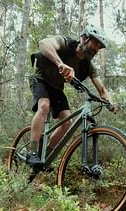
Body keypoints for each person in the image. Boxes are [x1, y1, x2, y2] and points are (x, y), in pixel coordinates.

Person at [26, 25, 117, 167]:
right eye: (96, 44)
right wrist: (60, 64)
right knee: (44, 105)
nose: (97, 49)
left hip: (56, 87)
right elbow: (44, 44)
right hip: (40, 77)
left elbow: (102, 90)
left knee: (67, 121)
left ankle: (46, 156)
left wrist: (110, 103)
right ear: (84, 38)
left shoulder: (88, 66)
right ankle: (32, 152)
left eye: (100, 47)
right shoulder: (66, 43)